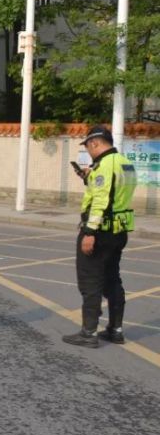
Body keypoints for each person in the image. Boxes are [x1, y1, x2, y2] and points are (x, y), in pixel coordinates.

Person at [63, 125, 137, 348]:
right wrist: (89, 176)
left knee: (90, 281)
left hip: (100, 231)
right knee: (112, 279)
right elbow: (115, 192)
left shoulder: (104, 166)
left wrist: (89, 232)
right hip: (118, 231)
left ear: (95, 143)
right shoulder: (125, 163)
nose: (88, 151)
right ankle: (115, 330)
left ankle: (89, 333)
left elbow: (101, 201)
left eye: (87, 147)